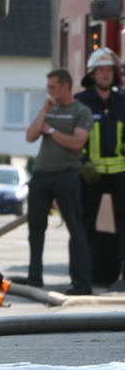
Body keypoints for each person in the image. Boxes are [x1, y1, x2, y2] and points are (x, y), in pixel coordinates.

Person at [24, 68, 93, 295]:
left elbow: (77, 143)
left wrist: (51, 130)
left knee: (76, 228)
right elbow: (31, 135)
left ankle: (81, 283)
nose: (49, 91)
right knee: (36, 228)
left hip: (67, 174)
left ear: (65, 86)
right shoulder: (49, 109)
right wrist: (44, 112)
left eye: (53, 87)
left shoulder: (80, 111)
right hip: (42, 175)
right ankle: (34, 279)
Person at [74, 47, 125, 290]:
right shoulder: (81, 102)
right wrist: (83, 164)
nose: (105, 74)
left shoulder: (123, 100)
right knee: (84, 225)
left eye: (109, 70)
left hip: (121, 172)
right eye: (101, 70)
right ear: (92, 74)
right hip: (89, 174)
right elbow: (73, 137)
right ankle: (83, 279)